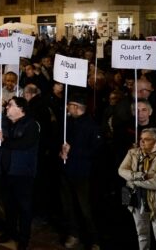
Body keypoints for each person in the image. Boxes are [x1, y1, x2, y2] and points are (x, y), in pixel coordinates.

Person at [0, 96, 40, 250]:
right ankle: (9, 231)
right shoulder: (2, 122)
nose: (6, 107)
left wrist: (4, 140)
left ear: (21, 109)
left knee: (24, 207)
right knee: (8, 204)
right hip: (4, 171)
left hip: (22, 173)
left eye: (10, 105)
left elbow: (24, 144)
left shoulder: (31, 125)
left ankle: (24, 238)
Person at [59, 93, 101, 250]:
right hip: (65, 170)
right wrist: (61, 152)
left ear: (76, 107)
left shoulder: (92, 126)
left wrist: (72, 151)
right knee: (67, 205)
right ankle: (73, 234)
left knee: (85, 208)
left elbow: (95, 151)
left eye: (69, 105)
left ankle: (94, 239)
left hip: (82, 173)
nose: (67, 108)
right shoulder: (67, 122)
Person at [118, 128, 156, 250]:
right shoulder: (133, 153)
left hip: (155, 203)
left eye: (146, 139)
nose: (141, 142)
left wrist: (133, 181)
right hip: (136, 200)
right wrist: (142, 176)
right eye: (141, 139)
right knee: (142, 235)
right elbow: (121, 170)